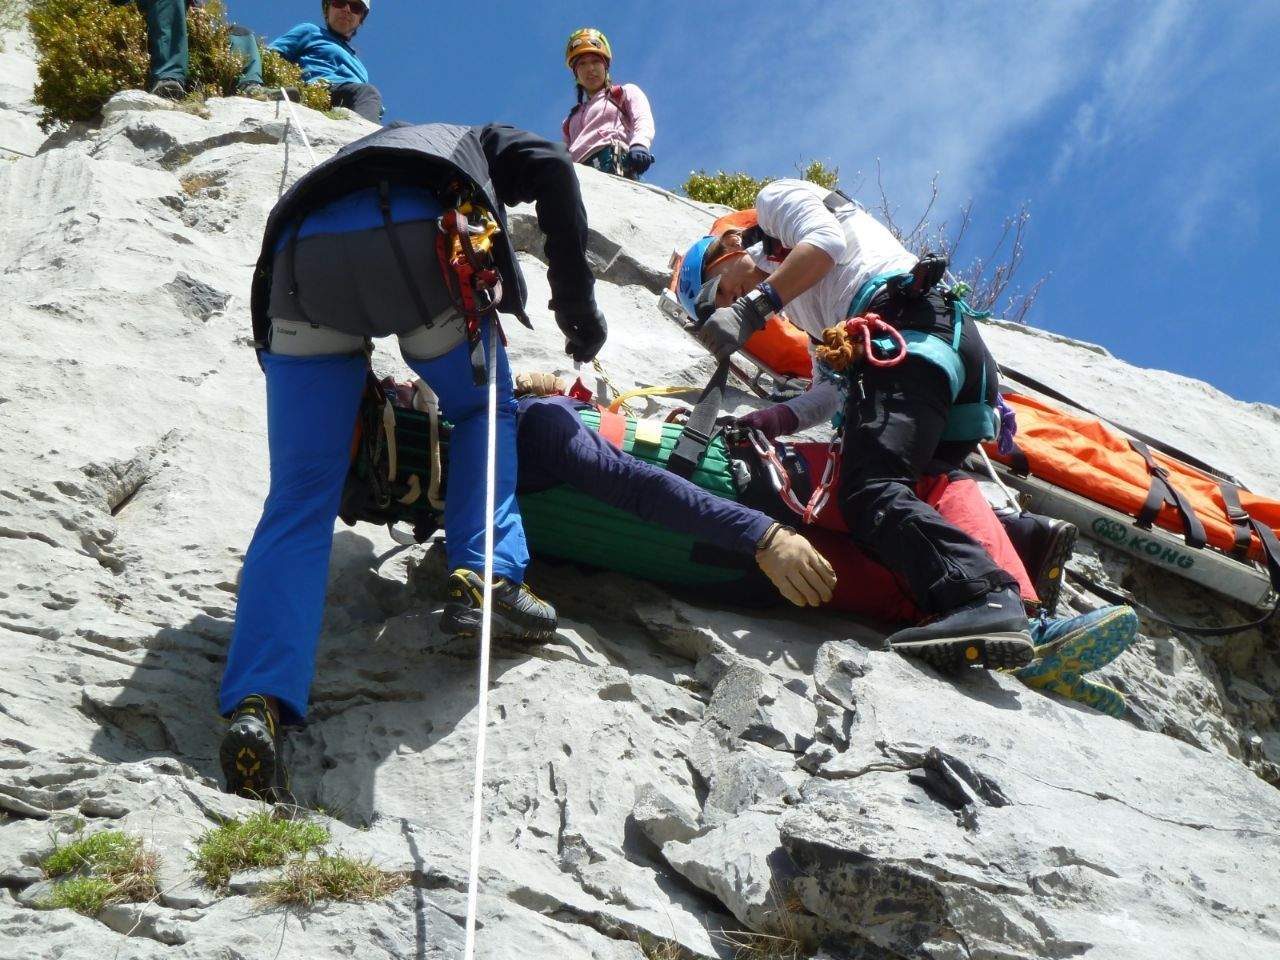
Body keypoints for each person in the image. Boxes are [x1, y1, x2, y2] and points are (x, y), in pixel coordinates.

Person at [218, 122, 607, 799]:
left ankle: (260, 702)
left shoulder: (353, 155)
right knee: (484, 410)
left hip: (297, 264)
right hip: (421, 244)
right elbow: (550, 166)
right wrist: (576, 309)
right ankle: (486, 572)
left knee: (300, 495)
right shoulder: (475, 139)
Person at [678, 179, 1034, 671]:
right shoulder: (804, 310)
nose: (729, 304)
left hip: (907, 321)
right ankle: (1022, 568)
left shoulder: (773, 203)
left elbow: (826, 242)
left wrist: (751, 307)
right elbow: (832, 390)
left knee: (868, 489)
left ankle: (985, 599)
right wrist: (774, 418)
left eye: (721, 293)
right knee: (928, 489)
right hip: (936, 344)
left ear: (724, 253)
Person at [109, 0, 271, 101]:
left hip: (182, 22)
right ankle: (168, 79)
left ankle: (250, 86)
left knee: (240, 34)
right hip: (143, 9)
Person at [561, 28, 655, 180]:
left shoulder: (623, 93)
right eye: (582, 64)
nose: (590, 68)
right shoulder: (569, 120)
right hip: (576, 177)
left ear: (605, 66)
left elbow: (643, 119)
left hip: (613, 167)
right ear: (576, 74)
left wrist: (640, 144)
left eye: (595, 61)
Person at [268, 0, 383, 123]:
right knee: (367, 92)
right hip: (319, 90)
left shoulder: (360, 68)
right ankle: (367, 138)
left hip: (353, 99)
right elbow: (271, 55)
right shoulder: (310, 31)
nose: (346, 9)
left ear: (360, 19)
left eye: (355, 7)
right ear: (327, 9)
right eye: (340, 3)